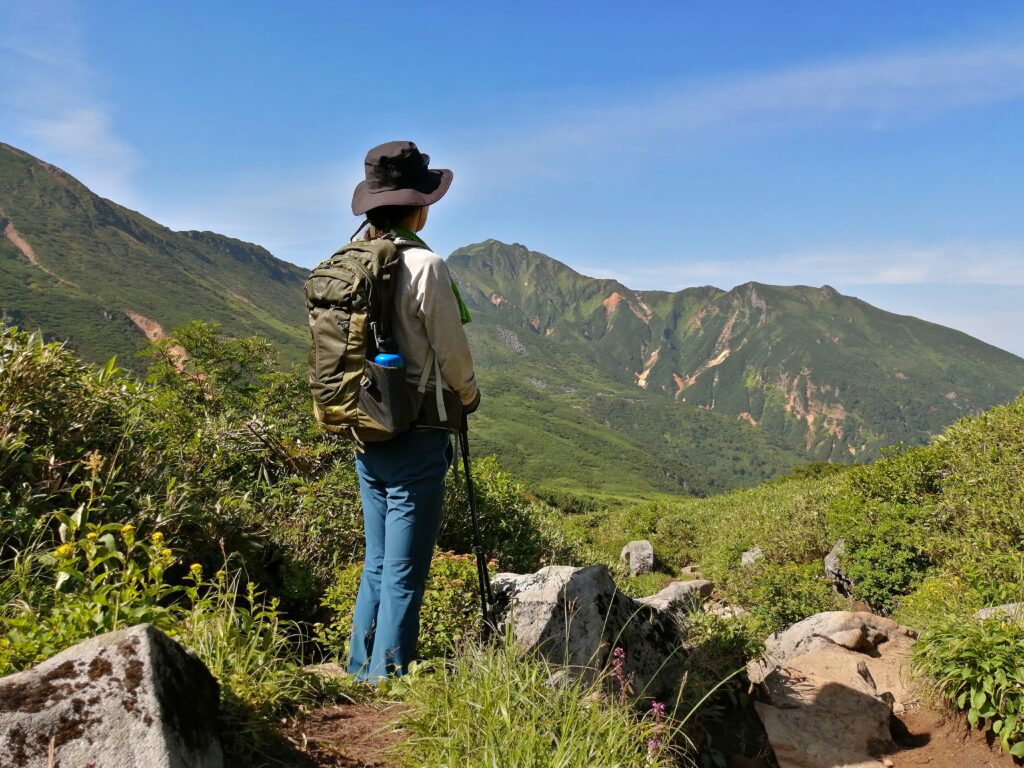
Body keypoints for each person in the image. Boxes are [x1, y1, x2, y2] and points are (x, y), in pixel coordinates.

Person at [345, 141, 479, 681]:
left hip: (364, 425)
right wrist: (468, 397)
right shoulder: (424, 265)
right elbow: (451, 354)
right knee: (406, 568)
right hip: (419, 429)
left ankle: (360, 668)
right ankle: (390, 679)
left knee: (377, 561)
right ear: (419, 207)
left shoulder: (348, 263)